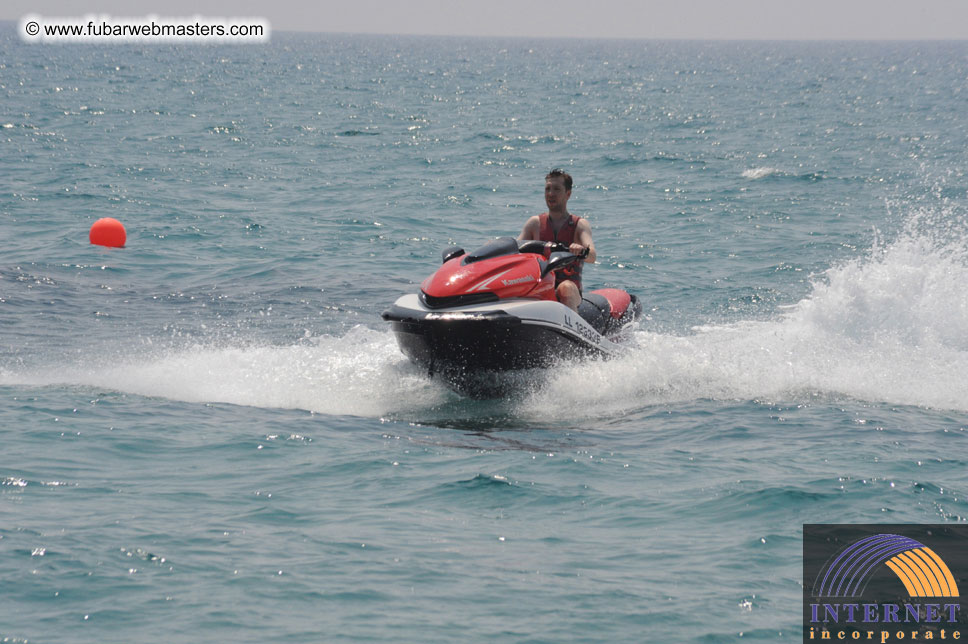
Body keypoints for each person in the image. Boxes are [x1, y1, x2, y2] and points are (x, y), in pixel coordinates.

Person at [518, 169, 596, 311]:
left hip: (570, 290)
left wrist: (582, 250)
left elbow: (592, 256)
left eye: (556, 189)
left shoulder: (579, 225)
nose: (551, 194)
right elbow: (515, 251)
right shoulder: (534, 224)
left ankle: (571, 331)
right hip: (540, 287)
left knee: (565, 288)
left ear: (568, 194)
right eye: (547, 189)